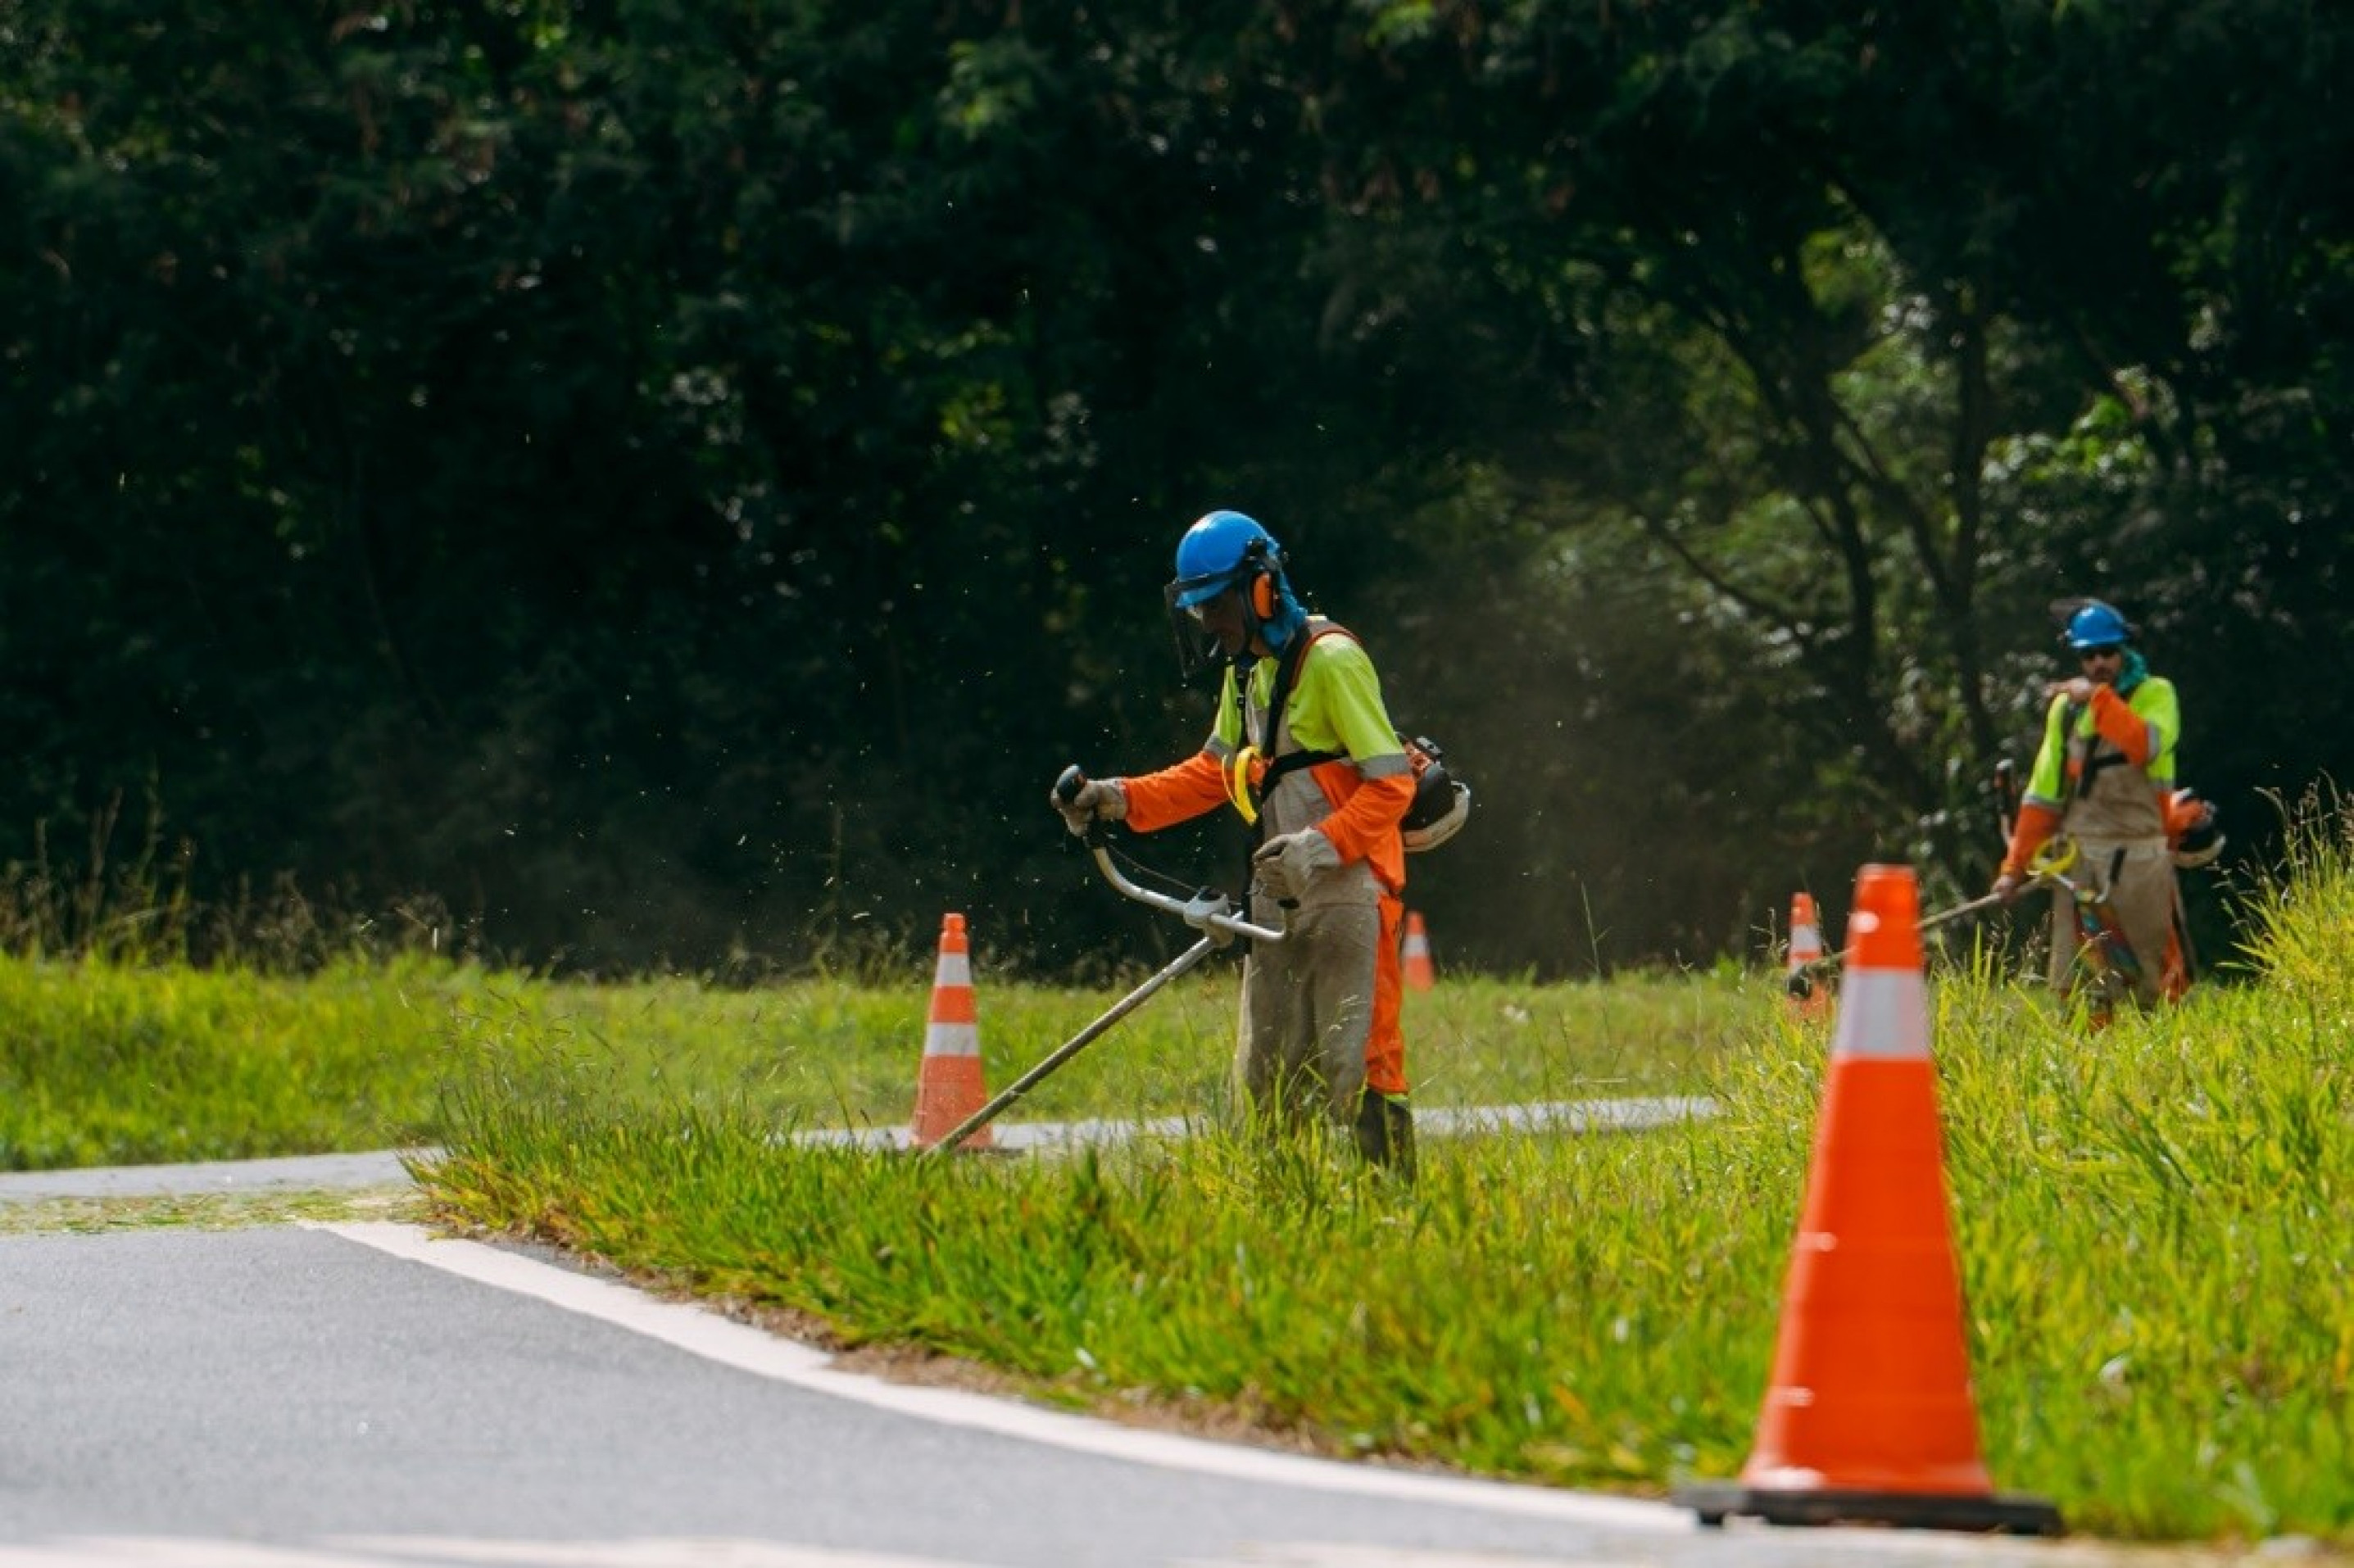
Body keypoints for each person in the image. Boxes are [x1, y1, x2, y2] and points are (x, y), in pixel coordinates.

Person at [1051, 510, 1419, 1174]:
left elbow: (1390, 785)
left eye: (1216, 604)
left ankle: (1393, 1207)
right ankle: (1288, 1207)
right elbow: (1212, 773)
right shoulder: (1244, 673)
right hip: (1277, 890)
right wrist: (1118, 796)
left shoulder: (1331, 659)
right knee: (1269, 1073)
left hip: (1350, 887)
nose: (1208, 623)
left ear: (1260, 586)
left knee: (1358, 1059)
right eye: (1196, 611)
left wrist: (1320, 846)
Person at [1992, 598, 2184, 1020]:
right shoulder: (2066, 710)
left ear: (2124, 649)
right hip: (2078, 864)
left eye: (2107, 652)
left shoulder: (2156, 694)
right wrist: (2013, 870)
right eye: (2088, 655)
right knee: (2080, 982)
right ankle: (2089, 1067)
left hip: (2139, 858)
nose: (2099, 662)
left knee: (2155, 978)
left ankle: (2166, 1065)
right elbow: (2043, 797)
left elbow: (2144, 746)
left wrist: (2098, 700)